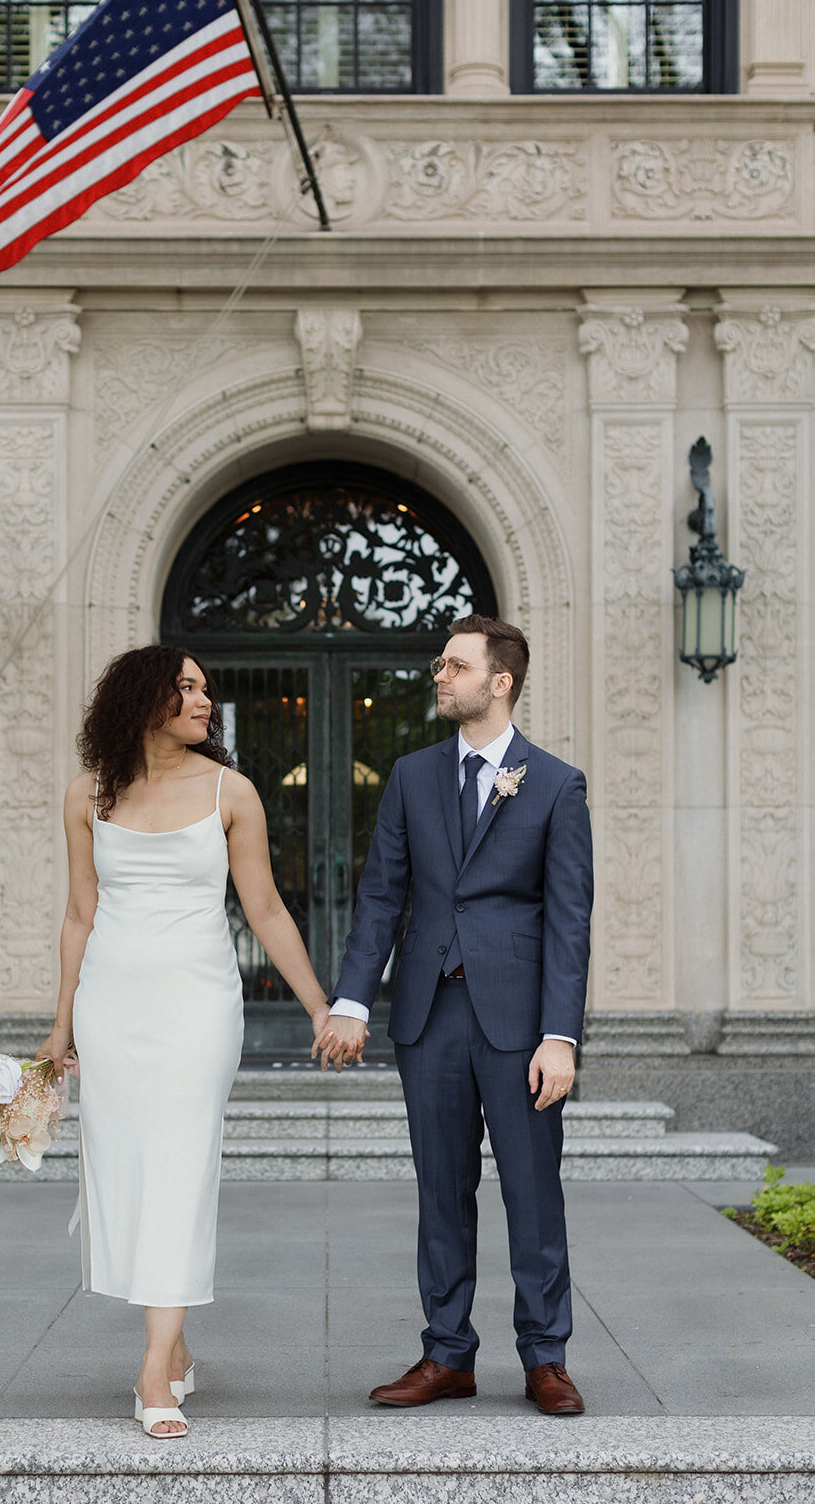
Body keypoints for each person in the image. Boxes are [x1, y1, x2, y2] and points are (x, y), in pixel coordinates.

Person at [36, 645, 358, 1439]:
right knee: (125, 1167)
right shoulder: (88, 793)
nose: (203, 701)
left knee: (180, 1167)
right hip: (113, 1005)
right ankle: (174, 1346)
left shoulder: (230, 790)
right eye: (186, 688)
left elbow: (268, 911)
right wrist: (60, 1024)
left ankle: (152, 1372)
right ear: (142, 697)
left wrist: (319, 1006)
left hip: (198, 1007)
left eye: (206, 690)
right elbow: (81, 914)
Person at [330, 614, 593, 1416]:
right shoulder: (411, 777)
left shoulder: (554, 783)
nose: (439, 676)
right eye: (439, 664)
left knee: (530, 1190)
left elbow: (567, 917)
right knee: (440, 1189)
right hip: (428, 1015)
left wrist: (559, 1034)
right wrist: (350, 999)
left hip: (519, 1024)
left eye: (454, 665)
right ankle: (447, 1354)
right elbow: (382, 895)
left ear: (499, 680)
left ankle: (544, 1356)